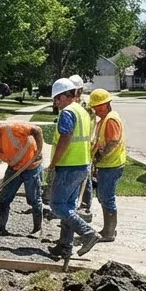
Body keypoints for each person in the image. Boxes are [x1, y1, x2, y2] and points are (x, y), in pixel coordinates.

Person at [46, 78, 100, 259]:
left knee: (57, 205)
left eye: (56, 99)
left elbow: (65, 138)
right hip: (82, 164)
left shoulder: (67, 113)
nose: (55, 103)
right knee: (68, 206)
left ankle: (87, 233)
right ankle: (65, 246)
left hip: (69, 165)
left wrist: (53, 163)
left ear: (63, 96)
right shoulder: (82, 111)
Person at [0, 114, 45, 236]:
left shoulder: (11, 128)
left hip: (32, 166)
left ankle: (37, 229)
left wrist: (38, 151)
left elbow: (37, 130)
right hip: (14, 169)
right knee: (4, 198)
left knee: (34, 199)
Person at [87, 89, 125, 242]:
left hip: (112, 164)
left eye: (97, 106)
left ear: (106, 104)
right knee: (103, 197)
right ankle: (107, 229)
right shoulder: (103, 120)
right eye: (94, 106)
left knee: (106, 197)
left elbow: (113, 141)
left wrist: (100, 154)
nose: (95, 109)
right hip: (106, 165)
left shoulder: (110, 120)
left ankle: (109, 232)